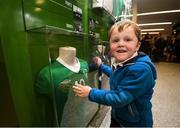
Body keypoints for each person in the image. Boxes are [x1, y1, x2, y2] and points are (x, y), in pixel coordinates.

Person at [73, 20, 157, 127]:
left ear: (137, 45)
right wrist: (101, 66)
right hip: (120, 116)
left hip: (134, 123)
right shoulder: (125, 63)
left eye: (127, 39)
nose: (121, 44)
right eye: (115, 40)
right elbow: (116, 75)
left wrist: (90, 93)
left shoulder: (140, 70)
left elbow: (119, 97)